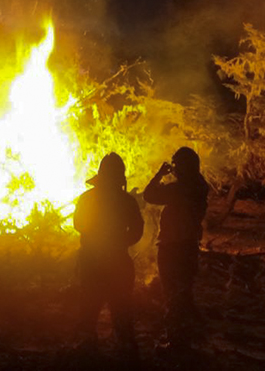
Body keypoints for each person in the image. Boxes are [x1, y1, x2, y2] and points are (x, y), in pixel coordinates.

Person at [74, 152, 144, 354]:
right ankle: (127, 349)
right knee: (121, 308)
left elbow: (78, 224)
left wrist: (94, 238)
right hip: (118, 262)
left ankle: (86, 348)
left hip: (91, 261)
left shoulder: (87, 198)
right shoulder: (127, 201)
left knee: (89, 305)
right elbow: (137, 230)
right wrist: (121, 243)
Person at [144, 147, 208, 352]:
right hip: (188, 246)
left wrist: (160, 175)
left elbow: (149, 195)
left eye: (176, 164)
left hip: (173, 248)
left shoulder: (180, 190)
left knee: (173, 293)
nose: (174, 168)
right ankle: (192, 333)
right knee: (183, 292)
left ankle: (176, 341)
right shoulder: (199, 185)